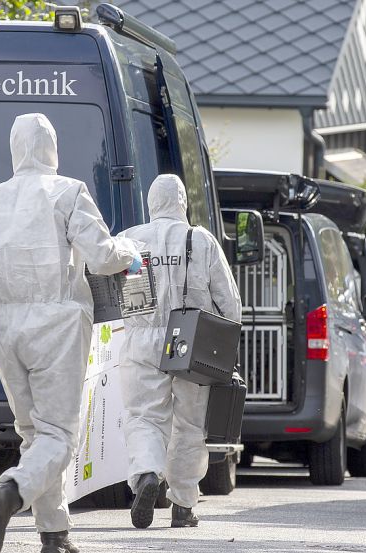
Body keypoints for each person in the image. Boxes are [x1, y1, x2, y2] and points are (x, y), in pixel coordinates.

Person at [0, 113, 141, 553]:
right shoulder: (68, 192)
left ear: (14, 149)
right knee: (58, 435)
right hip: (57, 323)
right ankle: (10, 491)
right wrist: (132, 250)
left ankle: (54, 534)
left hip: (1, 325)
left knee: (35, 432)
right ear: (53, 147)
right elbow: (103, 255)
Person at [117, 174, 241, 529]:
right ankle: (183, 506)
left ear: (150, 202)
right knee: (188, 425)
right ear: (182, 202)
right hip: (192, 342)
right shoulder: (201, 240)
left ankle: (145, 475)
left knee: (144, 416)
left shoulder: (129, 240)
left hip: (140, 341)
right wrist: (226, 346)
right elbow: (229, 303)